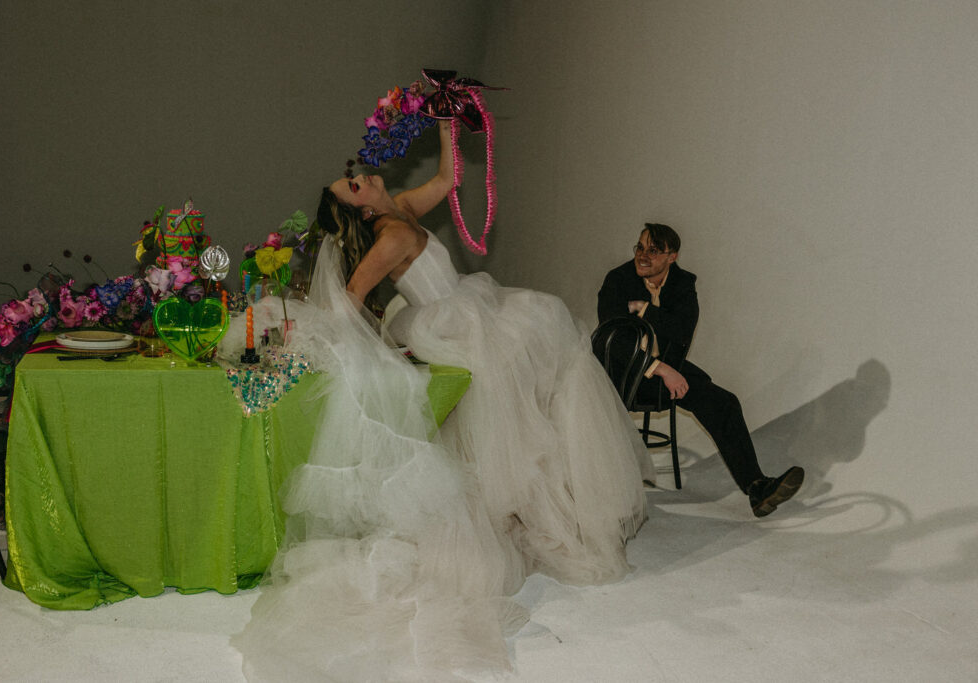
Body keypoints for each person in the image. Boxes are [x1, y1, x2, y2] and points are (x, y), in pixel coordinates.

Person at [233, 120, 655, 682]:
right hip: (450, 320)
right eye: (350, 187)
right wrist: (318, 338)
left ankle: (556, 496)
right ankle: (526, 501)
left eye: (352, 176)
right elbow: (352, 298)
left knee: (547, 348)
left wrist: (447, 120)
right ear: (361, 211)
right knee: (523, 368)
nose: (359, 179)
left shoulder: (403, 205)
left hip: (470, 306)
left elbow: (448, 178)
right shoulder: (389, 235)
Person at [597, 223, 804, 517]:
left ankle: (757, 487)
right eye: (640, 247)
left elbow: (682, 332)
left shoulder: (683, 283)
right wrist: (659, 368)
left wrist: (645, 309)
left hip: (666, 371)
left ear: (672, 256)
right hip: (618, 373)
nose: (643, 256)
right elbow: (612, 338)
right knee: (687, 381)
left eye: (653, 250)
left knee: (723, 402)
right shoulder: (617, 280)